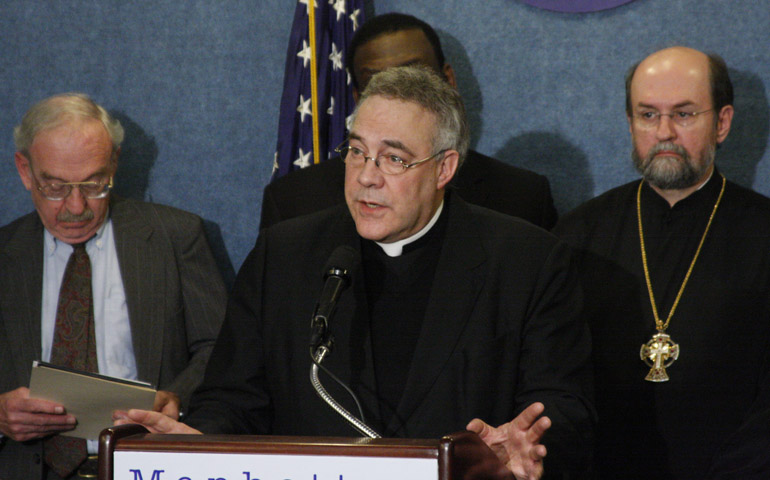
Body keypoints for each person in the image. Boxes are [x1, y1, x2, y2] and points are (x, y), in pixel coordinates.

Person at [116, 65, 594, 480]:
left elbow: (563, 408)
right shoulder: (284, 255)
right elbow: (234, 399)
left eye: (394, 158)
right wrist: (196, 440)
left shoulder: (526, 262)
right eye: (357, 150)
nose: (366, 175)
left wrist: (525, 448)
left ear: (445, 168)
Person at [553, 47, 770, 479]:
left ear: (722, 123)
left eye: (684, 115)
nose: (664, 132)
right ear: (630, 122)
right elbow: (559, 382)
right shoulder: (577, 236)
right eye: (647, 115)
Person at [0, 93, 227, 479]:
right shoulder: (5, 254)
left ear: (114, 165)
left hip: (148, 464)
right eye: (54, 187)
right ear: (25, 171)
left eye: (93, 184)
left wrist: (176, 400)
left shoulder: (176, 237)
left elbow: (223, 350)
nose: (75, 207)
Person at [260, 12, 557, 231]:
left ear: (448, 79)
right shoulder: (293, 205)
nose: (397, 99)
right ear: (356, 96)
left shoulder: (521, 200)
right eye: (377, 83)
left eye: (416, 81)